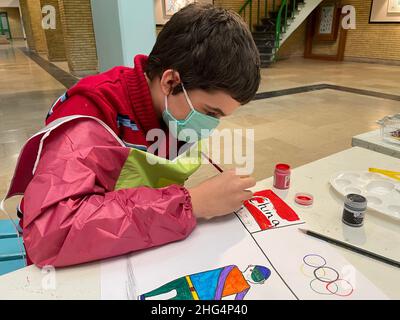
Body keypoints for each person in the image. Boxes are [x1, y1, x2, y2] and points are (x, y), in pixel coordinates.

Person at [5, 3, 260, 267]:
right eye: (210, 112)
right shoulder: (91, 115)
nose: (211, 125)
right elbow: (51, 233)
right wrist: (190, 204)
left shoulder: (173, 112)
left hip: (134, 249)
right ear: (171, 82)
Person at [139, 265, 271, 300]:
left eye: (256, 276)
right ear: (250, 266)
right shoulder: (233, 268)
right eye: (254, 271)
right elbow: (220, 281)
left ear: (259, 282)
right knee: (166, 288)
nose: (252, 274)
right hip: (191, 281)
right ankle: (145, 295)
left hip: (198, 296)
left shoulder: (245, 287)